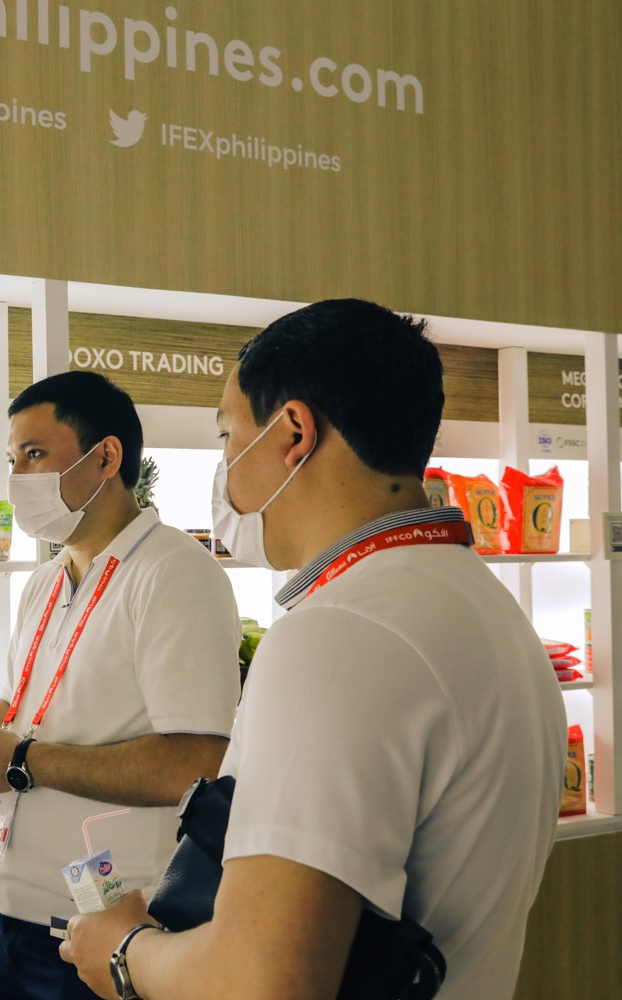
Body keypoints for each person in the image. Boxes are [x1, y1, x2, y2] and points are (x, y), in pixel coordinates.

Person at [61, 299, 567, 1000]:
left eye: (227, 435)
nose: (224, 467)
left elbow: (267, 982)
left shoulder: (338, 635)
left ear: (294, 433)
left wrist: (123, 953)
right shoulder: (482, 603)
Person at [0, 371, 242, 1000]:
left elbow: (195, 762)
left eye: (34, 454)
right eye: (11, 459)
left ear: (106, 457)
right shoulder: (46, 580)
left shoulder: (176, 574)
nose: (18, 477)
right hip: (1, 906)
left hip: (104, 926)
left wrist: (20, 762)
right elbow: (19, 708)